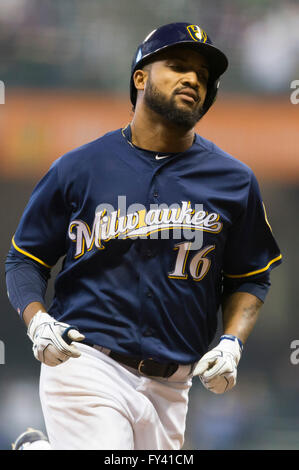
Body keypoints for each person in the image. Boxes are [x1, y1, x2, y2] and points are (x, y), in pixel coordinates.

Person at [6, 22, 282, 450]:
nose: (193, 79)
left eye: (203, 76)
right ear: (140, 77)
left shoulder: (234, 181)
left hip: (174, 385)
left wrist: (231, 344)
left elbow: (251, 276)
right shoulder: (79, 168)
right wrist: (37, 321)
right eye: (177, 66)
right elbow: (25, 259)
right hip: (88, 361)